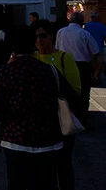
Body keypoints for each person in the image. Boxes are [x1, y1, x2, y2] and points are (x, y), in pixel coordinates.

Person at [0, 29, 76, 190]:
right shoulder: (50, 70)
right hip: (48, 139)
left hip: (15, 139)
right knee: (46, 184)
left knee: (17, 184)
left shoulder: (6, 71)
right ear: (33, 45)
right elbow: (68, 95)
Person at [33, 20, 81, 190]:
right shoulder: (32, 57)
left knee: (63, 163)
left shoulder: (64, 58)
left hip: (60, 119)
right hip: (39, 122)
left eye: (43, 35)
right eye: (36, 37)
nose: (39, 40)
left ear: (51, 36)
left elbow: (76, 90)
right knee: (43, 168)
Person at [56, 12, 102, 128]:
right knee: (84, 93)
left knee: (65, 92)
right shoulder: (84, 33)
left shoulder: (61, 32)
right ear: (81, 22)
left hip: (64, 63)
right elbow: (95, 51)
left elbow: (56, 48)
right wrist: (97, 72)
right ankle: (82, 119)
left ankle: (67, 117)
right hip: (81, 65)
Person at [84, 12, 106, 77]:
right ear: (98, 18)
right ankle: (96, 75)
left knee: (91, 64)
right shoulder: (102, 26)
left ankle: (93, 75)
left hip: (89, 49)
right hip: (99, 49)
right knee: (100, 64)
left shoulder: (86, 25)